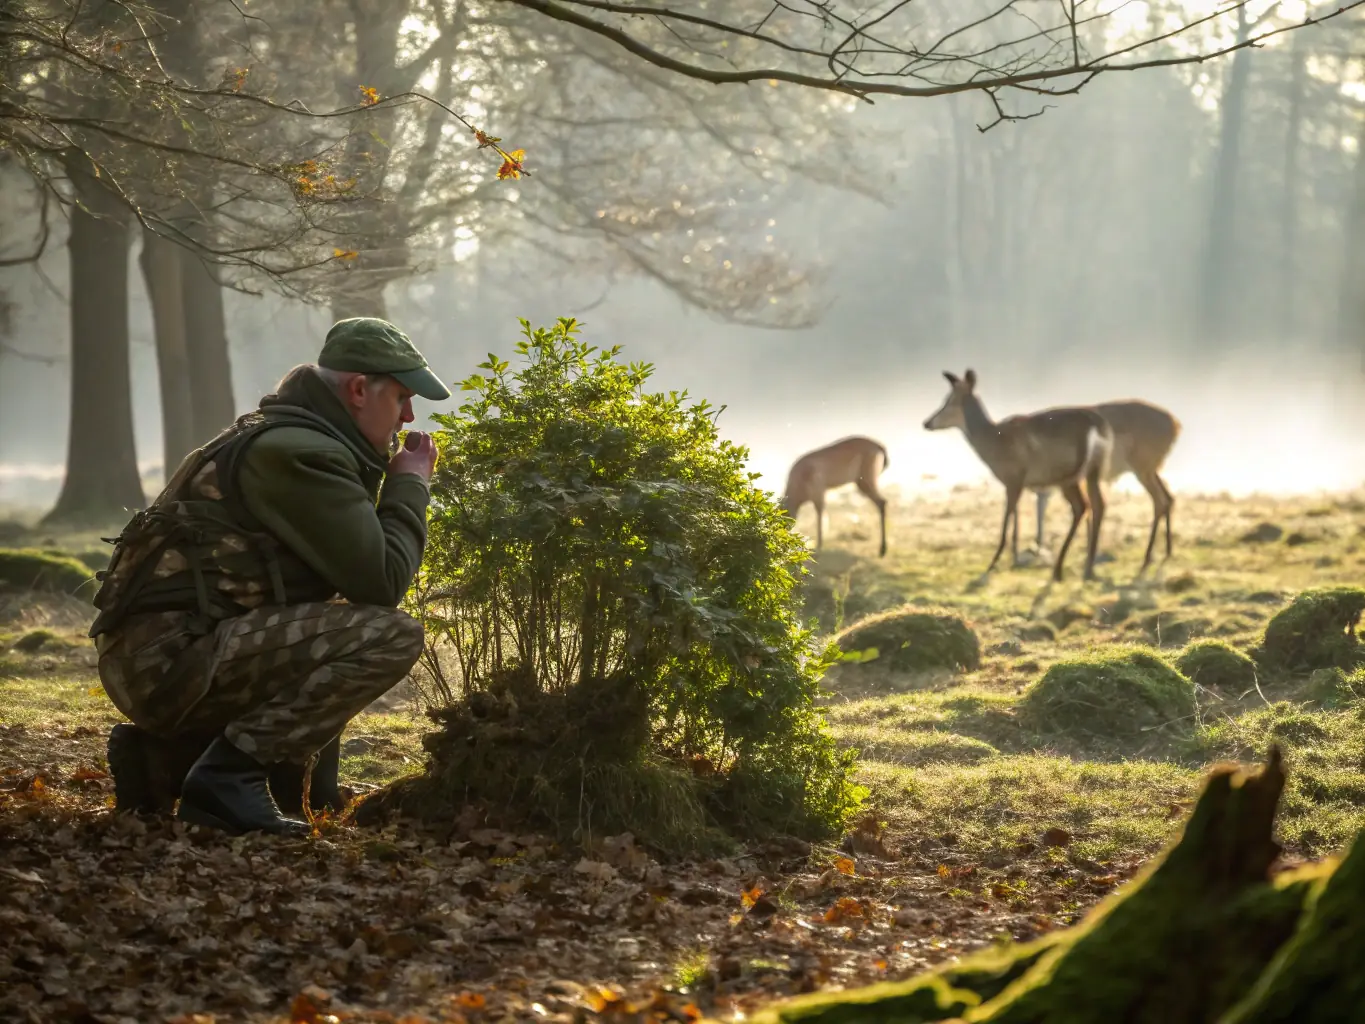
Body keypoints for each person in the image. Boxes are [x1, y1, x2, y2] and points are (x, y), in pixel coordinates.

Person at [89, 317, 449, 836]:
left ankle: (170, 762)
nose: (408, 416)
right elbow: (384, 582)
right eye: (400, 397)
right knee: (388, 636)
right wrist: (409, 485)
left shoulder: (287, 436)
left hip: (172, 653)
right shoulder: (301, 454)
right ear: (357, 390)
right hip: (170, 662)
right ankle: (227, 776)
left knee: (341, 622)